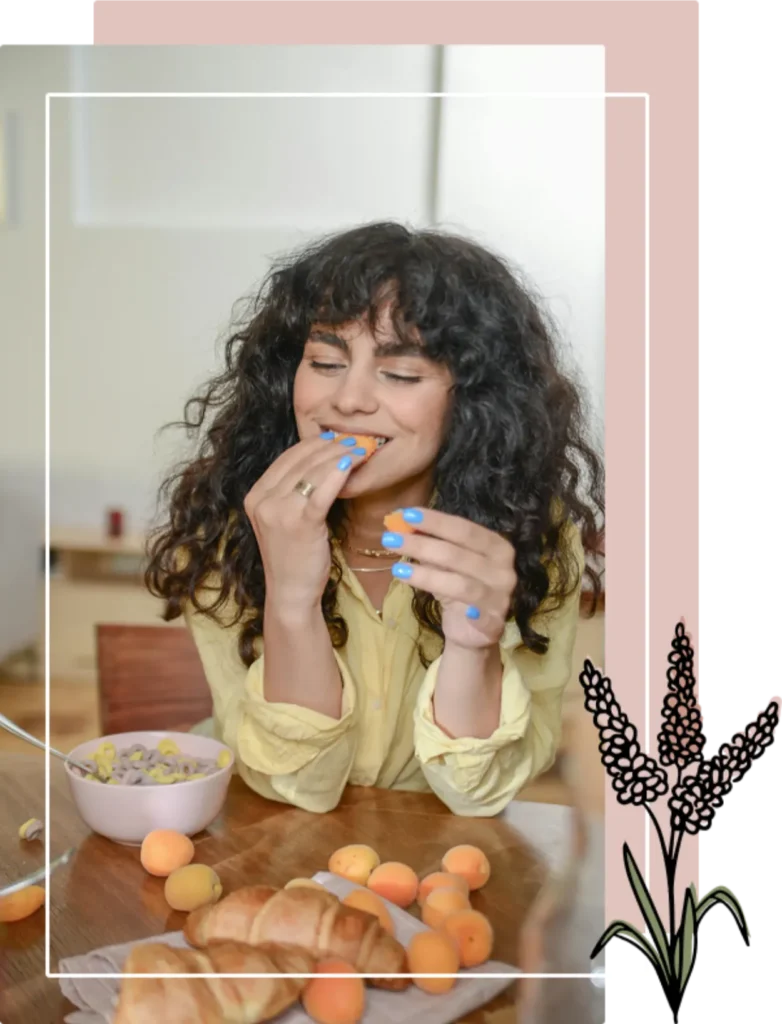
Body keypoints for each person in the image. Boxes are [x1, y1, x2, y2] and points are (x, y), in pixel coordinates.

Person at [145, 222, 604, 817]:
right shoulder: (232, 526)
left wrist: (473, 645)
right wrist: (292, 601)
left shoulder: (534, 541)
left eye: (401, 374)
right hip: (262, 840)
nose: (349, 400)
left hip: (434, 860)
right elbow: (300, 788)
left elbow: (476, 794)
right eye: (325, 362)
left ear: (474, 400)